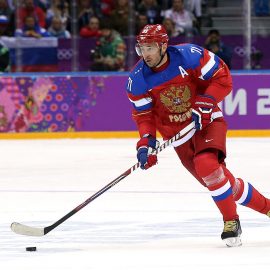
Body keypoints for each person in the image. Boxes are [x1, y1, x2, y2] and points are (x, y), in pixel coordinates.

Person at [126, 24, 270, 247]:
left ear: (163, 45)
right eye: (141, 48)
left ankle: (231, 222)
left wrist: (207, 100)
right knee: (221, 184)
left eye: (150, 48)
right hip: (178, 136)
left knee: (206, 166)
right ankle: (268, 207)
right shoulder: (137, 79)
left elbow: (223, 78)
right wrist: (146, 143)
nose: (145, 54)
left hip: (206, 121)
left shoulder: (189, 56)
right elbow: (144, 115)